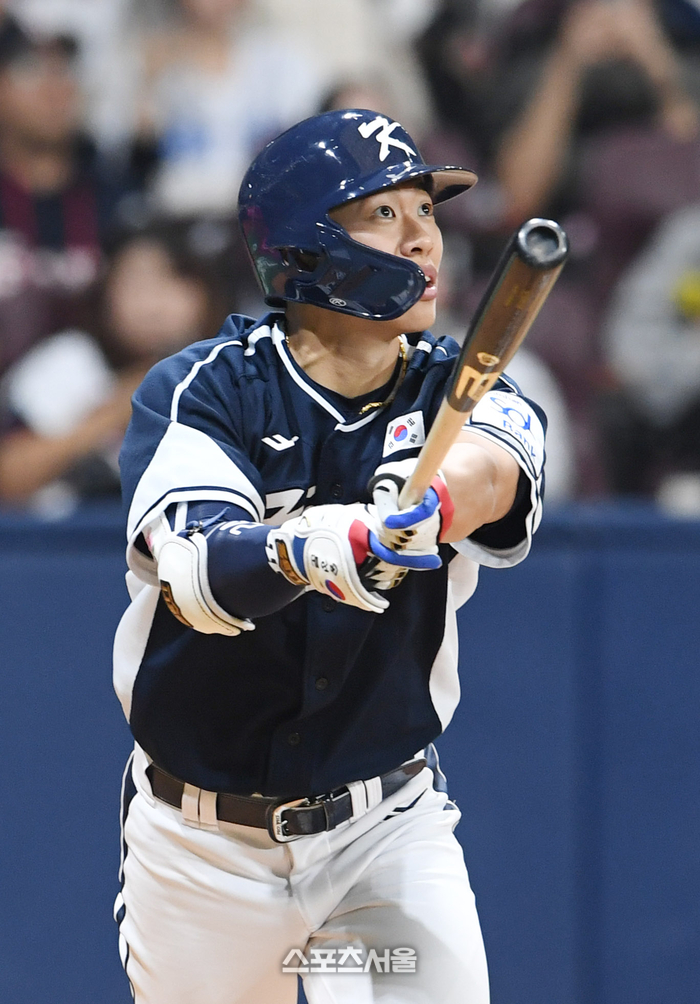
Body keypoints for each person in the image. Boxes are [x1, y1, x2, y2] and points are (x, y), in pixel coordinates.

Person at [113, 109, 547, 1004]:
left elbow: (498, 468)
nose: (424, 234)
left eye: (426, 210)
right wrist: (327, 543)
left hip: (381, 829)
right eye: (385, 213)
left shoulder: (452, 388)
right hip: (207, 852)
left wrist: (431, 502)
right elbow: (197, 573)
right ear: (306, 248)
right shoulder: (207, 387)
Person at [0, 218, 226, 511]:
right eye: (136, 285)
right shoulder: (68, 361)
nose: (153, 306)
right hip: (74, 544)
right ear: (106, 292)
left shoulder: (235, 368)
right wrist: (116, 408)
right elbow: (8, 478)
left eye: (172, 282)